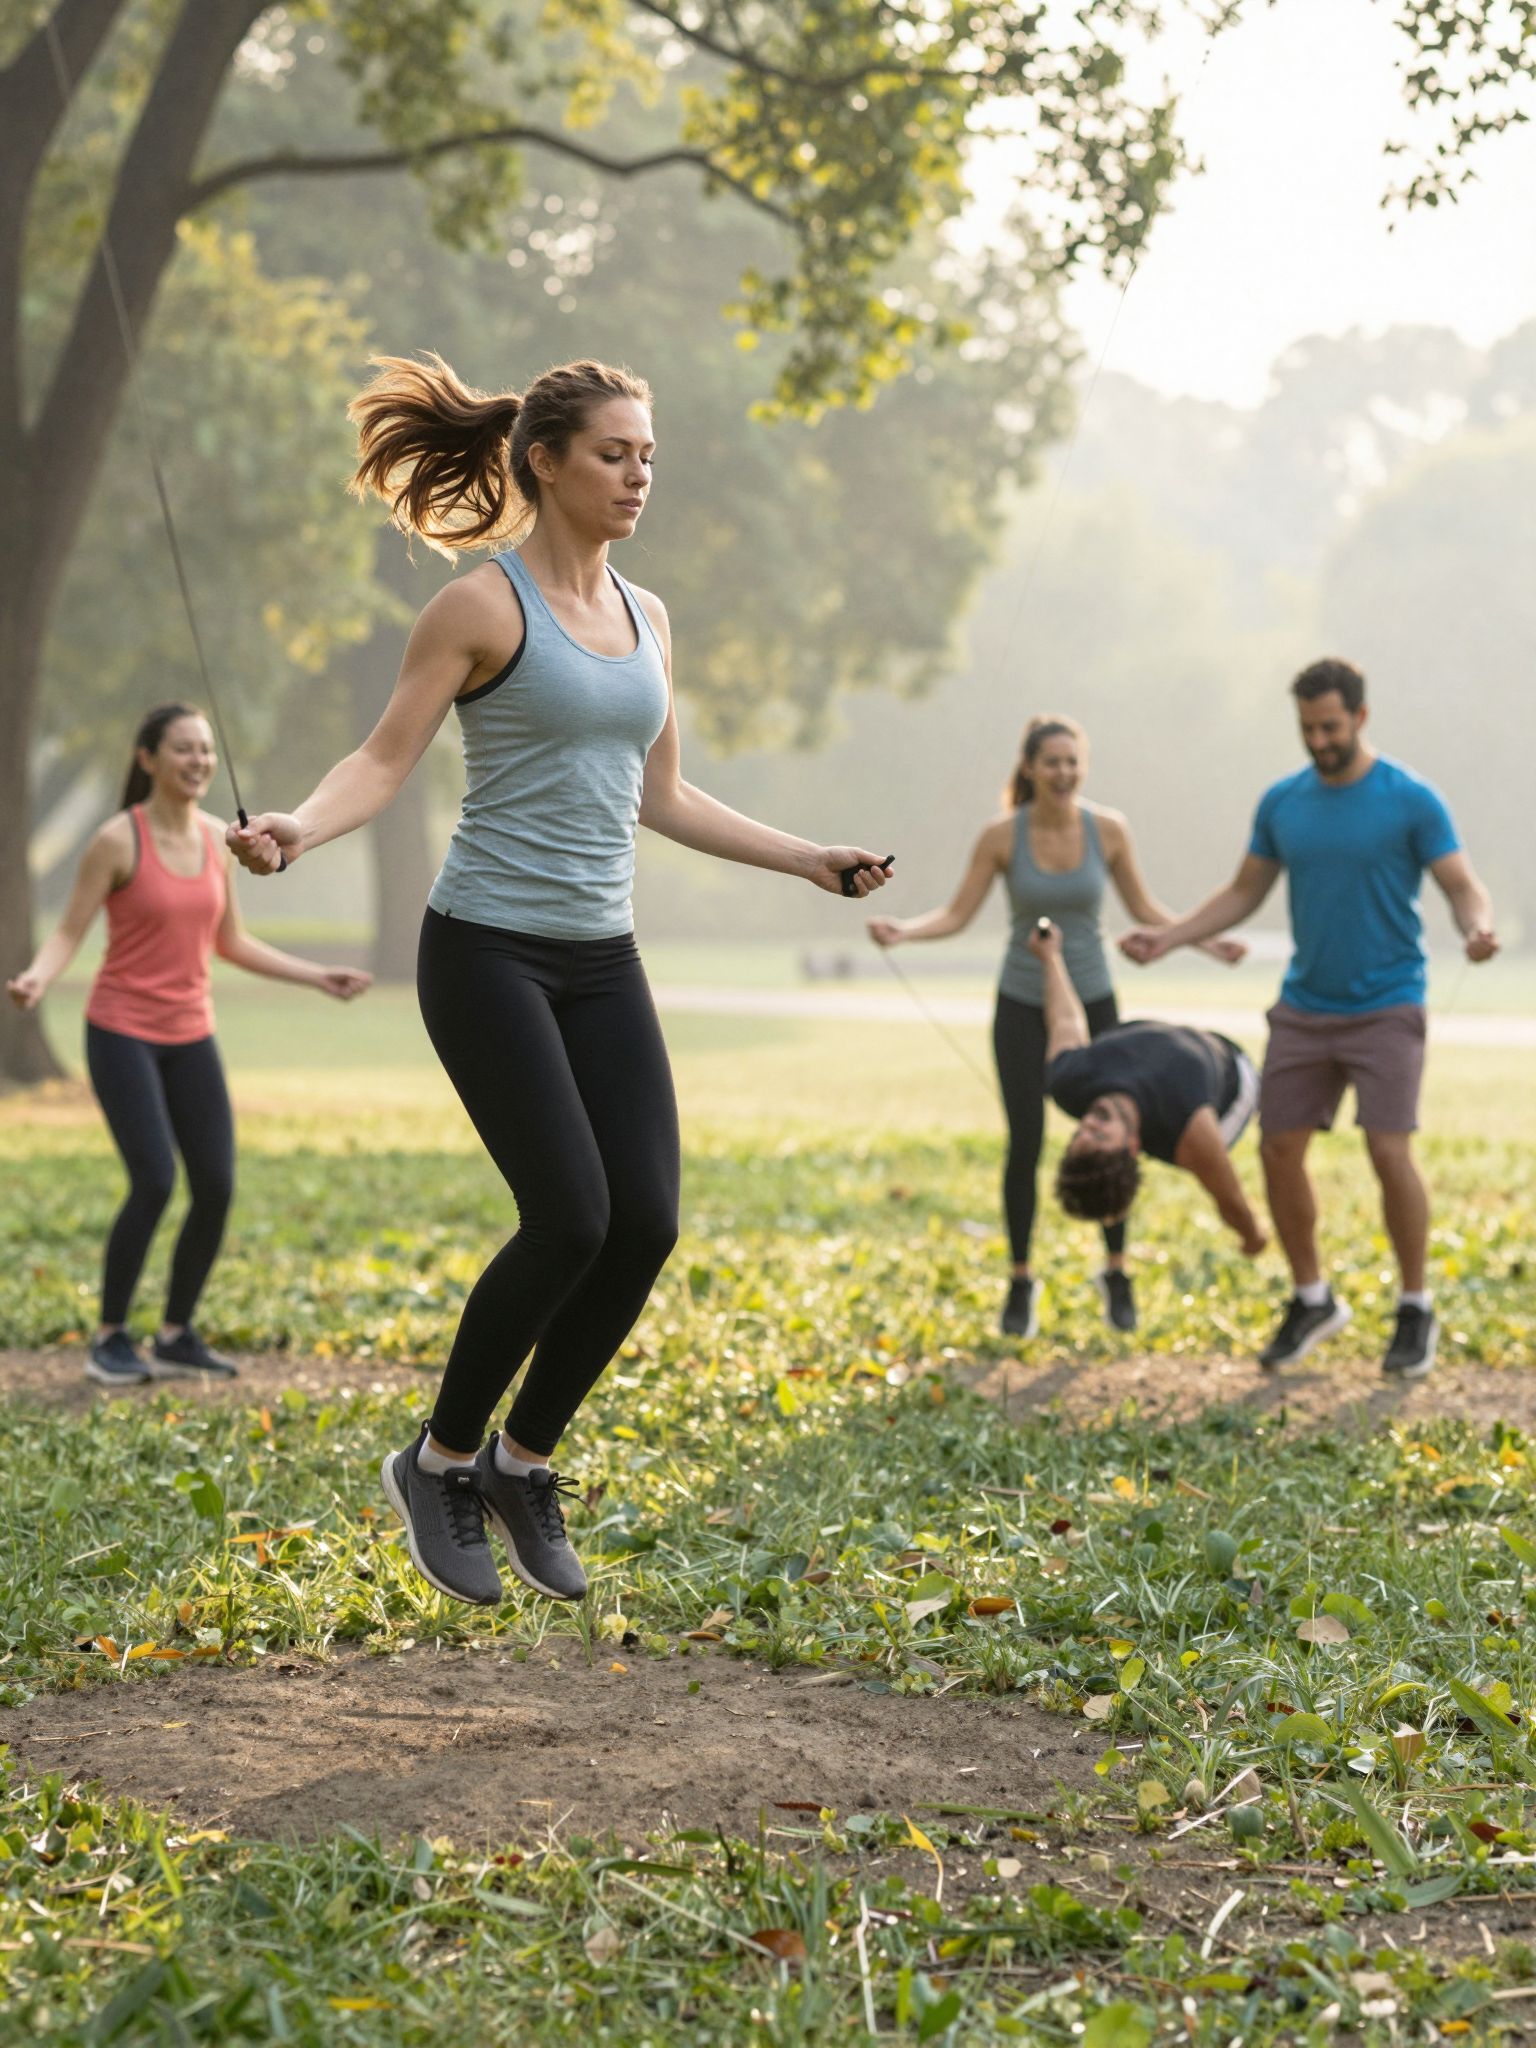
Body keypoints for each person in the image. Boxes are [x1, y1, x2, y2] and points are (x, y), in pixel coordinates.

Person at [227, 353, 891, 1610]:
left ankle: (523, 1463)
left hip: (601, 955)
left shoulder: (650, 617)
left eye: (648, 456)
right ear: (546, 460)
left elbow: (664, 795)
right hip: (485, 949)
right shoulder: (480, 608)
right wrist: (297, 829)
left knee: (646, 1221)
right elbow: (383, 759)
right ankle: (438, 1461)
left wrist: (809, 857)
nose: (638, 476)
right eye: (613, 454)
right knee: (570, 1215)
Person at [1122, 657, 1498, 1379]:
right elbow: (1243, 892)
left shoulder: (1411, 799)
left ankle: (1414, 1305)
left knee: (1388, 1151)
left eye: (1330, 727)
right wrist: (1172, 938)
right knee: (1277, 1147)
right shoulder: (1283, 802)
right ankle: (1312, 1297)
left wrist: (1477, 928)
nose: (1319, 741)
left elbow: (1461, 883)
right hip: (1305, 1004)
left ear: (1360, 716)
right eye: (1307, 729)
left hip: (1388, 1001)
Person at [7, 704, 371, 1386]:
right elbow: (68, 932)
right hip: (120, 1031)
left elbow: (229, 942)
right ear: (147, 759)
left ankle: (175, 1334)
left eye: (205, 749)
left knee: (216, 1184)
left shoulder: (216, 839)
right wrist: (37, 978)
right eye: (183, 748)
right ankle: (110, 1338)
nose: (199, 760)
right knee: (154, 1178)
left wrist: (315, 975)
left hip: (190, 1032)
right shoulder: (116, 841)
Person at [867, 714, 1243, 1340]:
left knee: (1116, 1134)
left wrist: (1204, 942)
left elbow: (1145, 908)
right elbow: (958, 914)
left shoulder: (1109, 830)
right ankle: (1021, 1281)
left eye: (1073, 762)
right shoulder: (1001, 836)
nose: (1064, 773)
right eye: (1052, 762)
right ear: (1030, 768)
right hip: (1022, 1003)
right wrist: (903, 931)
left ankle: (1116, 1271)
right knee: (1026, 1140)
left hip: (1094, 1002)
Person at [1029, 921, 1267, 1255]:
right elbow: (1229, 1198)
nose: (1090, 1122)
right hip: (1237, 1083)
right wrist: (1253, 1237)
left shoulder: (1070, 1084)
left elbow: (1066, 1022)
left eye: (1079, 1133)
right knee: (1207, 1158)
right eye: (1100, 1136)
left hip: (1196, 1043)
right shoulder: (1188, 1126)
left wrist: (1050, 956)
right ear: (1132, 1145)